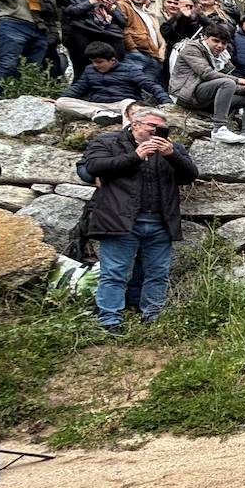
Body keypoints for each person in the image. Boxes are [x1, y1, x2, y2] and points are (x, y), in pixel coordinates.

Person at [83, 107, 198, 333]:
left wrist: (171, 155)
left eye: (161, 128)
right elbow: (93, 167)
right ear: (135, 125)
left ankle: (152, 317)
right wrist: (134, 156)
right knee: (114, 272)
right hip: (120, 220)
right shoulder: (109, 142)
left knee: (157, 273)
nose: (157, 131)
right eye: (152, 126)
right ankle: (109, 320)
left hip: (160, 221)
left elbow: (190, 175)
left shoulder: (172, 148)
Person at [168, 26, 245, 145]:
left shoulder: (223, 57)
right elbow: (207, 74)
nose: (220, 46)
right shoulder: (192, 48)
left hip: (208, 97)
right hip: (186, 94)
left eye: (224, 43)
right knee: (227, 83)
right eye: (215, 41)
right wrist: (243, 81)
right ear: (205, 38)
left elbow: (228, 86)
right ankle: (219, 129)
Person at [56, 41, 172, 125]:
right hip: (99, 105)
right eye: (93, 62)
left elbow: (151, 85)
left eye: (99, 62)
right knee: (61, 102)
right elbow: (77, 88)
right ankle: (100, 114)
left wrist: (166, 102)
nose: (96, 65)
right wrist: (61, 98)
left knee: (130, 103)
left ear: (112, 60)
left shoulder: (131, 69)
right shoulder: (89, 70)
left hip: (123, 104)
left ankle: (127, 130)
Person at [117, 0, 165, 85]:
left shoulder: (147, 13)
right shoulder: (122, 5)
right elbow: (122, 28)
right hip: (136, 54)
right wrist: (132, 49)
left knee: (148, 91)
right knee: (133, 87)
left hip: (152, 56)